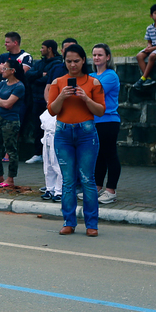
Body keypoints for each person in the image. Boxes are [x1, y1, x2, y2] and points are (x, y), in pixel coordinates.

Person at [47, 43, 105, 236]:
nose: (73, 65)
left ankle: (92, 224)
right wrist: (62, 96)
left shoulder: (93, 82)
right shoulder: (57, 82)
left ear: (83, 60)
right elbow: (52, 110)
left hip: (86, 133)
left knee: (88, 179)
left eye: (76, 61)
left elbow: (100, 111)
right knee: (68, 180)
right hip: (63, 133)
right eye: (69, 61)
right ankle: (69, 221)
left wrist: (86, 98)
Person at [26, 40, 67, 163]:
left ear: (49, 49)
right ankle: (38, 153)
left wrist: (37, 78)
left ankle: (52, 154)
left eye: (43, 47)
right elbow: (28, 75)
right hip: (36, 99)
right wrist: (40, 74)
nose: (40, 50)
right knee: (38, 127)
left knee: (52, 128)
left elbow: (48, 80)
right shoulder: (39, 63)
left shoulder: (57, 64)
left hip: (50, 100)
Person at [0, 55, 25, 188]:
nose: (2, 71)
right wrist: (1, 102)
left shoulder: (19, 86)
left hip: (10, 121)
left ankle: (10, 178)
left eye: (5, 69)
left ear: (12, 71)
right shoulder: (2, 84)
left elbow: (9, 104)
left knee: (11, 149)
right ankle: (0, 176)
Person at [91, 43, 121, 204]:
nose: (96, 57)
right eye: (94, 55)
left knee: (110, 155)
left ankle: (111, 190)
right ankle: (97, 187)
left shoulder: (111, 75)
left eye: (100, 55)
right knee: (98, 156)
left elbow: (95, 93)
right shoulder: (91, 75)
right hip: (94, 121)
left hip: (108, 120)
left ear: (107, 57)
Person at [38, 109, 61, 202]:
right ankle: (50, 188)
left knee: (58, 166)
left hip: (58, 138)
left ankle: (59, 191)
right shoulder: (48, 110)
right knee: (48, 166)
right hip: (47, 137)